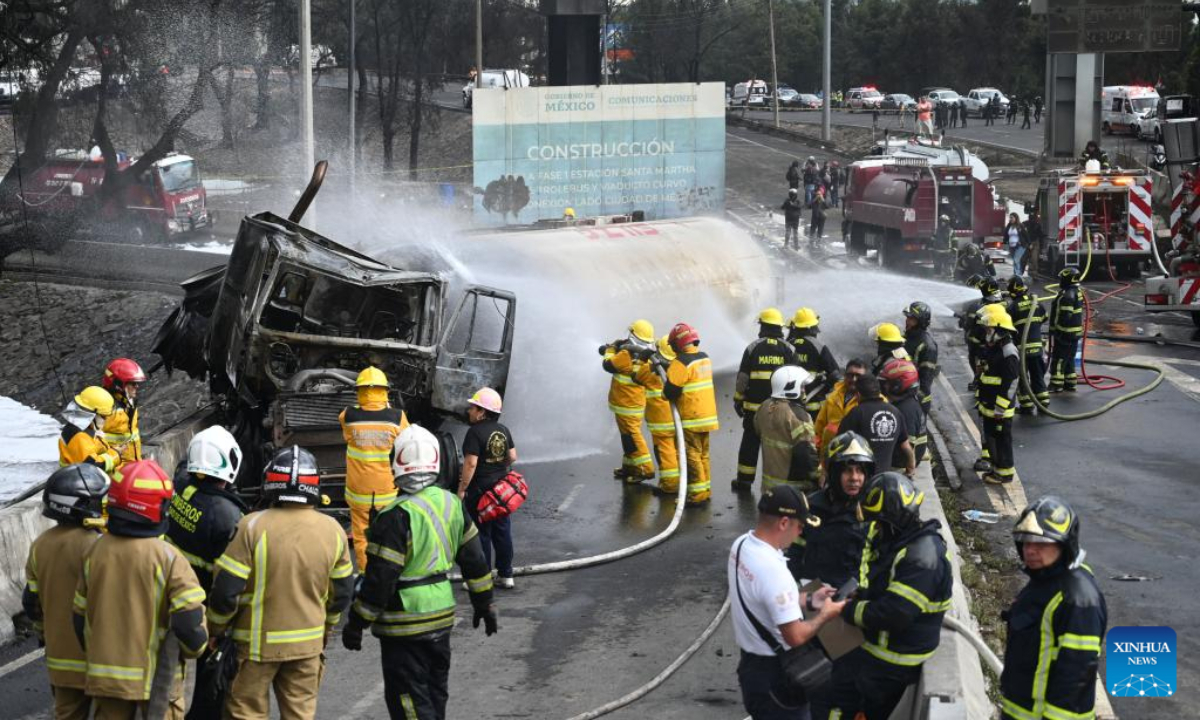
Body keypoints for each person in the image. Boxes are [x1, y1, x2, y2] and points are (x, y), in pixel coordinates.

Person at [343, 425, 498, 720]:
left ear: (396, 463)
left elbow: (379, 581)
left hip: (405, 625)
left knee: (409, 702)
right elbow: (476, 562)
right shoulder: (452, 504)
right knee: (435, 694)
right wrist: (484, 603)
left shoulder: (394, 516)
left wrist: (357, 623)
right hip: (441, 616)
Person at [208, 446, 354, 720]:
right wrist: (328, 626)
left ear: (271, 482)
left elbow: (226, 591)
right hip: (308, 646)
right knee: (300, 714)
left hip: (254, 649)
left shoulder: (250, 527)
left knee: (246, 713)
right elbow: (342, 593)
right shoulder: (333, 530)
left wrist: (216, 628)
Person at [73, 459, 208, 719]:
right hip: (156, 687)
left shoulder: (95, 552)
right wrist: (196, 650)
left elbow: (79, 618)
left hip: (107, 686)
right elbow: (190, 625)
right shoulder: (168, 557)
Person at [824, 472, 952, 720]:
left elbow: (895, 614)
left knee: (844, 701)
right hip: (877, 656)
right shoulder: (902, 546)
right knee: (834, 691)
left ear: (893, 522)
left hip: (891, 668)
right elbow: (884, 590)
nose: (876, 529)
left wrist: (846, 610)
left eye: (879, 523)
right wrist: (856, 595)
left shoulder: (921, 558)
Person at [728, 485, 848, 720]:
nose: (800, 533)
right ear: (784, 523)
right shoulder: (775, 572)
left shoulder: (741, 545)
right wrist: (827, 613)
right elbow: (795, 636)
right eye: (800, 526)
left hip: (751, 667)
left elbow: (765, 600)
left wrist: (811, 600)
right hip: (776, 679)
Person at [1000, 496, 1107, 720]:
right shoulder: (1043, 582)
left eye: (1041, 544)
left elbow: (1074, 674)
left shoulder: (1078, 599)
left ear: (1064, 544)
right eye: (1026, 543)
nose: (1030, 550)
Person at [23, 464, 109, 720]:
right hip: (99, 660)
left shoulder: (40, 546)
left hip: (60, 661)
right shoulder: (98, 546)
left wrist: (45, 635)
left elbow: (31, 602)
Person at [340, 366, 410, 571]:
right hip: (387, 490)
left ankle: (364, 575)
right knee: (389, 535)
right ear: (385, 390)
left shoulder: (348, 416)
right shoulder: (397, 417)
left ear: (359, 391)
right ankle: (387, 575)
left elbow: (347, 436)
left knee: (361, 536)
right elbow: (405, 443)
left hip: (358, 490)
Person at [165, 426, 248, 593]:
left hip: (170, 578)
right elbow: (231, 580)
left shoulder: (180, 482)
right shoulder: (228, 517)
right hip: (202, 594)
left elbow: (183, 467)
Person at [456, 387, 518, 587]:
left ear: (482, 411)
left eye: (473, 408)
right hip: (501, 492)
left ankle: (482, 578)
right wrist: (498, 466)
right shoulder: (503, 430)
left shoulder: (474, 433)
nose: (469, 411)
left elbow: (470, 464)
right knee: (502, 532)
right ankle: (506, 575)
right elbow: (512, 457)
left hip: (480, 492)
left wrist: (462, 489)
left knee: (481, 533)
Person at [793, 431, 873, 585]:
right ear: (834, 473)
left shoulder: (871, 511)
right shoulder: (811, 507)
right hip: (813, 597)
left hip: (854, 600)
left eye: (860, 470)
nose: (854, 478)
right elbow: (794, 553)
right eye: (847, 470)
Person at [733, 308, 798, 492]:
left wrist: (738, 399)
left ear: (763, 326)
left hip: (754, 410)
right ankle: (780, 486)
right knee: (779, 447)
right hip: (781, 410)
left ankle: (744, 481)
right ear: (779, 328)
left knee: (750, 444)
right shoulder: (789, 349)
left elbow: (743, 378)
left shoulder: (753, 347)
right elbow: (795, 378)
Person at [664, 322, 718, 505]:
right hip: (707, 416)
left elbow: (670, 391)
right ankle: (706, 489)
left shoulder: (679, 363)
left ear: (678, 344)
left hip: (691, 417)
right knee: (704, 454)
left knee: (692, 455)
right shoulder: (704, 358)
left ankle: (697, 494)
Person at [601, 320, 656, 482]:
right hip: (633, 404)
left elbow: (608, 365)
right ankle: (630, 467)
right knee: (627, 437)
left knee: (632, 436)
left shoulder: (626, 355)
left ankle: (646, 469)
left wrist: (610, 349)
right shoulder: (645, 355)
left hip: (626, 405)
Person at [755, 366, 820, 495]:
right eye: (801, 386)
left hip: (768, 490)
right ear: (791, 387)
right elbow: (805, 455)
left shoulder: (765, 406)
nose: (804, 390)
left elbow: (758, 431)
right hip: (794, 492)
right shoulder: (799, 415)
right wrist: (819, 476)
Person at [974, 305, 1020, 484]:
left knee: (1002, 442)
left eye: (989, 329)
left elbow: (1011, 383)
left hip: (1000, 408)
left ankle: (1005, 473)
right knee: (992, 438)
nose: (987, 333)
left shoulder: (1008, 352)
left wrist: (1001, 407)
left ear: (1000, 331)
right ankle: (996, 469)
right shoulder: (995, 348)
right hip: (989, 403)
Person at [837, 374, 915, 478]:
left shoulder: (856, 413)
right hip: (884, 477)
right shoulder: (895, 412)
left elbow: (838, 444)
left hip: (861, 477)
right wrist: (910, 467)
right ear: (879, 392)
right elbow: (906, 446)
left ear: (858, 394)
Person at [633, 336, 681, 495]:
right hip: (679, 419)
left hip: (661, 422)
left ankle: (670, 485)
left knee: (665, 452)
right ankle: (684, 481)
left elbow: (636, 377)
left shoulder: (650, 370)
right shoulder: (679, 367)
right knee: (679, 450)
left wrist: (641, 360)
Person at [1006, 275, 1049, 413]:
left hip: (1021, 350)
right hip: (1037, 347)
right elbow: (1044, 318)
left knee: (1023, 379)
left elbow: (1008, 329)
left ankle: (1026, 406)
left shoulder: (1012, 307)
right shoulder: (1036, 303)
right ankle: (1043, 402)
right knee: (1038, 376)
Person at [787, 307, 840, 417]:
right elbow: (835, 375)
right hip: (813, 404)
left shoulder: (788, 345)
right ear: (812, 328)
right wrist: (825, 388)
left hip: (790, 405)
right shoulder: (818, 346)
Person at [58, 386, 120, 474]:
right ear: (91, 414)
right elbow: (92, 467)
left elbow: (90, 449)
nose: (106, 419)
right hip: (82, 484)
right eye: (103, 416)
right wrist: (116, 454)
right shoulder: (78, 436)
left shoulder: (85, 428)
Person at [880, 358, 926, 471]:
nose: (884, 386)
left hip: (900, 463)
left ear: (898, 384)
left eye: (888, 383)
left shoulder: (905, 410)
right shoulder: (906, 401)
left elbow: (907, 445)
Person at [814, 358, 866, 457]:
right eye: (850, 375)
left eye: (858, 376)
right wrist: (817, 449)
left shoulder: (873, 399)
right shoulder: (833, 396)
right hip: (829, 455)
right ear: (845, 375)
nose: (854, 379)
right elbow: (819, 425)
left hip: (855, 456)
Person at [101, 358, 146, 465]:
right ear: (119, 385)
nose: (137, 386)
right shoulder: (105, 409)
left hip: (133, 465)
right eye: (133, 383)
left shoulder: (130, 403)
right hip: (116, 471)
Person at [1049, 266, 1084, 393]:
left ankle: (1056, 384)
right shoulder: (1077, 292)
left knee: (1059, 359)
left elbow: (1064, 317)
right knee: (1069, 359)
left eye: (1062, 279)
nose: (1060, 281)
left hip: (1065, 334)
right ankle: (1070, 383)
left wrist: (1057, 331)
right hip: (1074, 334)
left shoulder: (1067, 295)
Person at [902, 301, 938, 416]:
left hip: (916, 403)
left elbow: (925, 381)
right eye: (907, 317)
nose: (907, 321)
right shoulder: (907, 337)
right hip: (902, 395)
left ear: (920, 322)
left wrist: (913, 402)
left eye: (911, 319)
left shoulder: (927, 346)